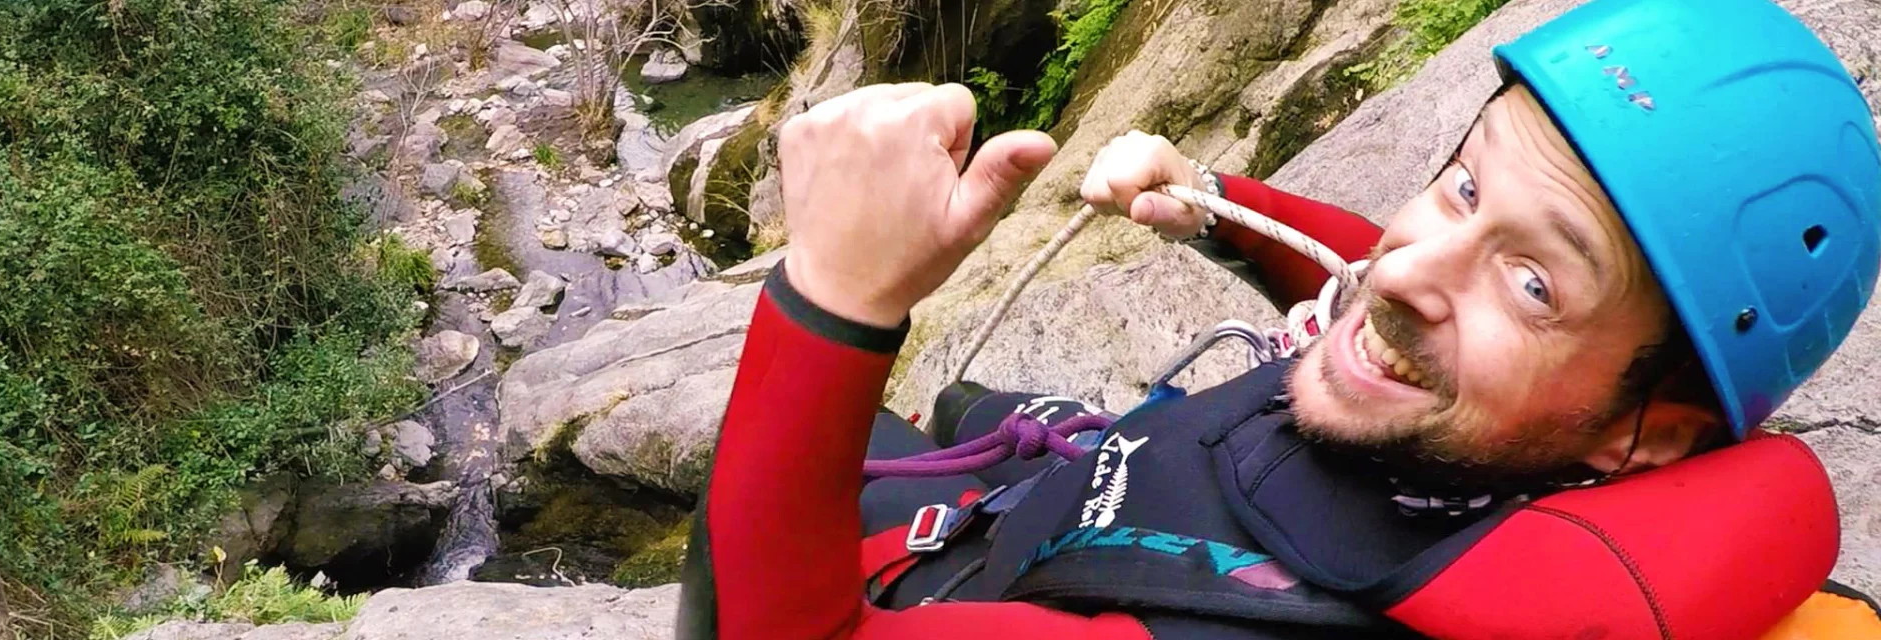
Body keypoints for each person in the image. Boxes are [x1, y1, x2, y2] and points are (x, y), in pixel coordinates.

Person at [676, 0, 1881, 638]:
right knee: (918, 416)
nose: (1409, 267)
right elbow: (1389, 271)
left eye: (1533, 283)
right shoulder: (1530, 445)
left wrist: (834, 298)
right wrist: (1218, 207)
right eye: (1463, 185)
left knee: (744, 487)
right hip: (1097, 498)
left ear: (1651, 433)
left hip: (996, 575)